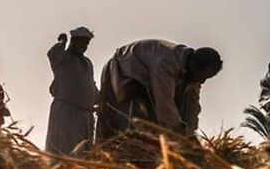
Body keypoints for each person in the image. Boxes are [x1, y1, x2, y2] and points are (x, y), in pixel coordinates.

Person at [97, 39, 222, 142]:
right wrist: (181, 136)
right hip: (125, 69)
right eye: (201, 76)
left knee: (163, 122)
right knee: (127, 122)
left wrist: (190, 134)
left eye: (206, 78)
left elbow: (192, 109)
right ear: (193, 65)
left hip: (148, 81)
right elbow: (164, 103)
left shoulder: (193, 75)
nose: (202, 81)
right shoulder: (167, 62)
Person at [45, 27, 97, 156]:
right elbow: (52, 54)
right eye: (81, 42)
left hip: (85, 115)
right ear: (73, 41)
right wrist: (62, 42)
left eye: (86, 44)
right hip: (66, 113)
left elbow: (90, 83)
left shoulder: (87, 63)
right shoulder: (63, 58)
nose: (84, 47)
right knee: (64, 150)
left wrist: (98, 98)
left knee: (84, 153)